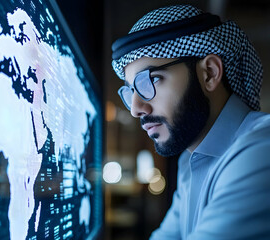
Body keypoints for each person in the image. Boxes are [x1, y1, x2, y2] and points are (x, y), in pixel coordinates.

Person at [111, 4, 270, 240]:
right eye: (131, 91)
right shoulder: (190, 162)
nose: (135, 109)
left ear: (209, 73)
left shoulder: (261, 148)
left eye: (151, 81)